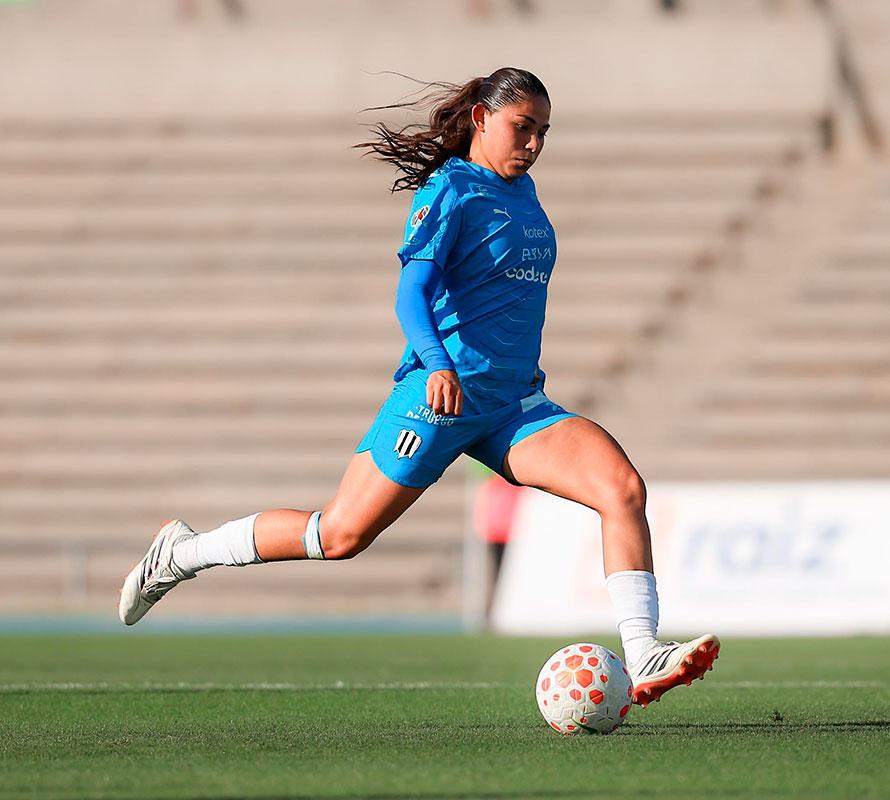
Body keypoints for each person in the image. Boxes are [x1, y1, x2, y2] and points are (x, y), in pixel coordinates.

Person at [118, 67, 718, 707]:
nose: (534, 144)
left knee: (622, 490)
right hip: (441, 396)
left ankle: (642, 651)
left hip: (514, 407)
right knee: (339, 536)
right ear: (482, 119)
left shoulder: (523, 190)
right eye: (522, 127)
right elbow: (411, 293)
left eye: (544, 132)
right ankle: (185, 553)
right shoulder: (450, 188)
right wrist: (436, 364)